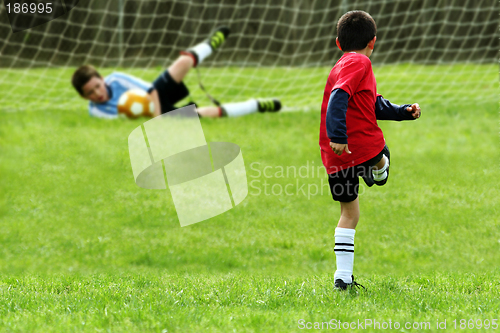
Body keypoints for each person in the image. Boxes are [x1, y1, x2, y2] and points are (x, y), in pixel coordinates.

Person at [319, 11, 421, 290]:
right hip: (360, 147)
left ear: (338, 43)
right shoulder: (360, 61)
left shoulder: (341, 64)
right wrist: (339, 134)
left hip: (335, 157)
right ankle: (378, 169)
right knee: (381, 156)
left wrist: (402, 112)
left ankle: (342, 278)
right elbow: (339, 96)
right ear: (373, 41)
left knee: (349, 214)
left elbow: (372, 104)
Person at [71, 27, 281, 119]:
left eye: (98, 86)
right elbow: (123, 122)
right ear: (83, 97)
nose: (98, 93)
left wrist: (157, 120)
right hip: (152, 115)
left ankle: (209, 45)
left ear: (101, 78)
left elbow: (151, 89)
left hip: (156, 97)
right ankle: (257, 106)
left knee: (183, 62)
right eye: (91, 93)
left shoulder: (116, 79)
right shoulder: (96, 112)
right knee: (204, 116)